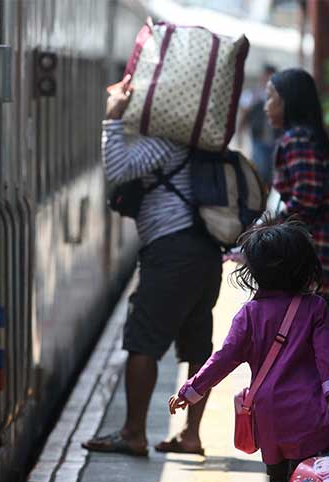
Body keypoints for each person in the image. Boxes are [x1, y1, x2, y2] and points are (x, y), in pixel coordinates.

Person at [167, 219, 329, 482]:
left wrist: (192, 390)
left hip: (268, 414)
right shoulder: (315, 309)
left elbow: (224, 358)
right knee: (311, 478)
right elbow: (328, 359)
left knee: (276, 479)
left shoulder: (249, 314)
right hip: (310, 411)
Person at [82, 74, 223, 457]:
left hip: (171, 252)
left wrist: (113, 118)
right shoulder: (203, 142)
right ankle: (190, 435)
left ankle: (133, 432)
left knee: (143, 341)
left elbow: (116, 170)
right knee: (197, 344)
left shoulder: (165, 143)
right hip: (207, 253)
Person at [265, 68, 329, 329]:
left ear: (289, 101)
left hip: (319, 253)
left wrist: (266, 230)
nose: (266, 106)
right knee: (321, 338)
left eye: (271, 97)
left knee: (303, 344)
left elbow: (306, 199)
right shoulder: (314, 138)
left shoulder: (297, 139)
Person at [239, 64, 279, 182]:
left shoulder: (279, 96)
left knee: (273, 172)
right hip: (258, 138)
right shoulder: (252, 94)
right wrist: (240, 135)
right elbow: (243, 115)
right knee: (260, 170)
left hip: (275, 139)